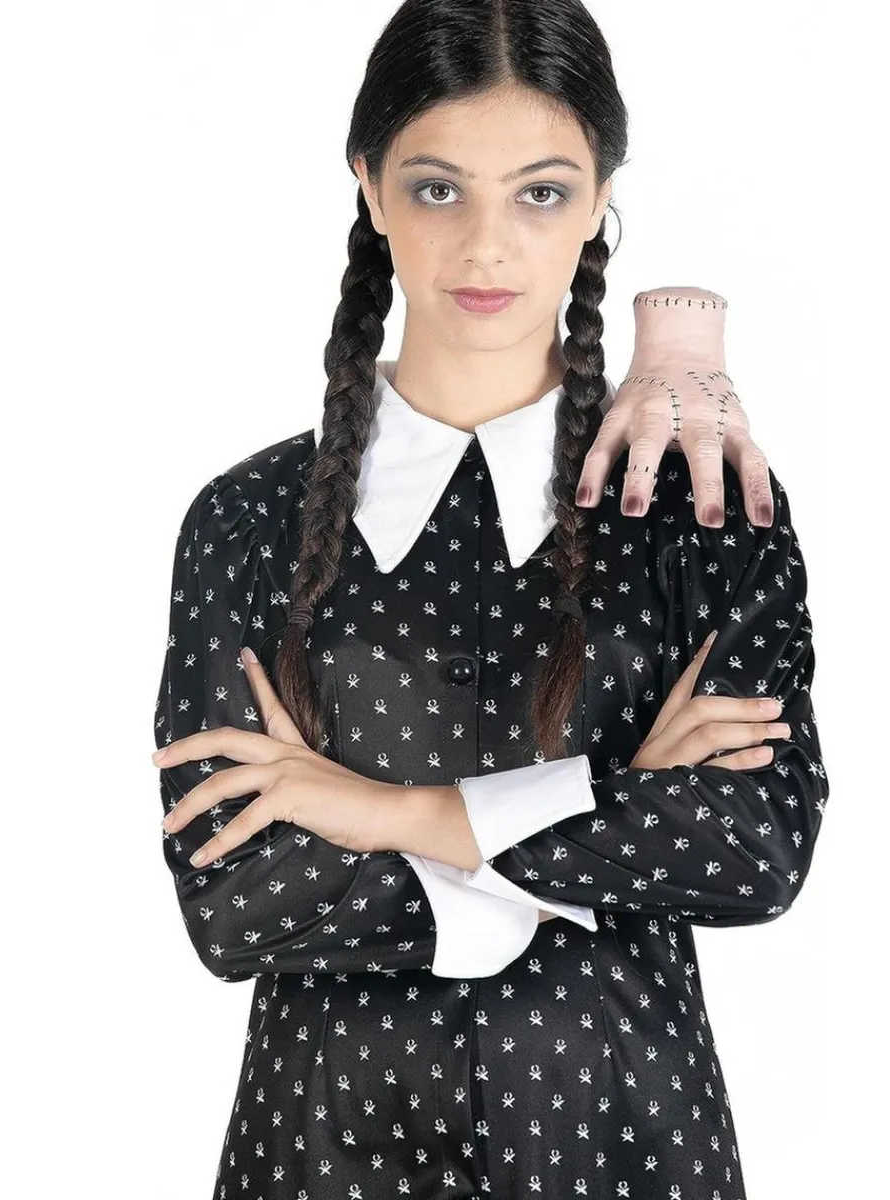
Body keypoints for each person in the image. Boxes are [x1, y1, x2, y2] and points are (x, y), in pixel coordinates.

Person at [152, 2, 829, 1196]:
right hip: (322, 1148)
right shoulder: (247, 519)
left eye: (541, 194)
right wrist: (611, 809)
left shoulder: (705, 509)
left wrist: (388, 812)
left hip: (625, 1143)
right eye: (436, 189)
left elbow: (749, 848)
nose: (486, 248)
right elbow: (242, 899)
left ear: (602, 198)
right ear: (369, 187)